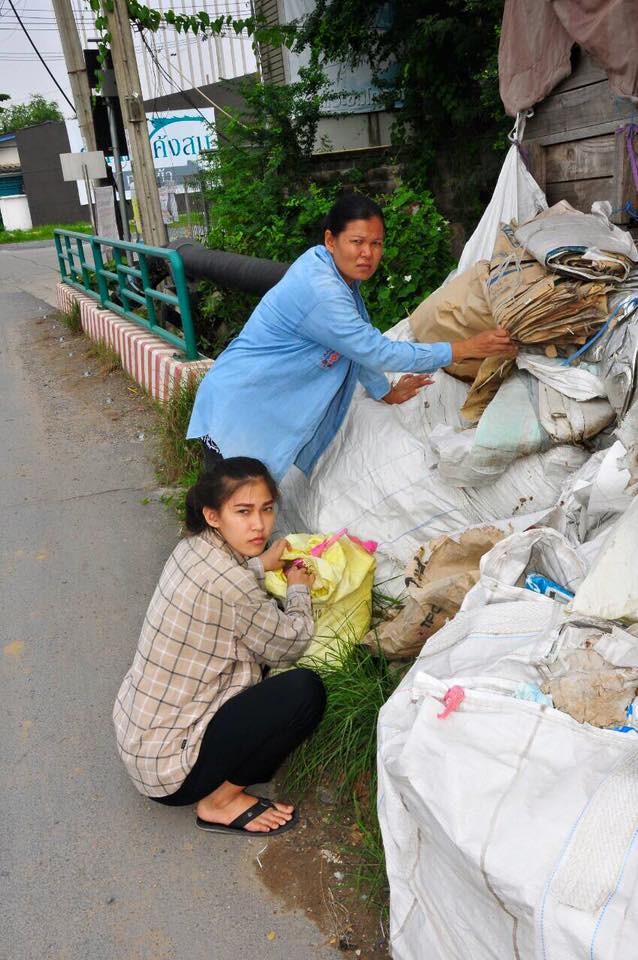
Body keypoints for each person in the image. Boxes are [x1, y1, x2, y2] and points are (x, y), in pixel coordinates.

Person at [187, 193, 515, 479]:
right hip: (243, 404)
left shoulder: (334, 275)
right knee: (230, 510)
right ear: (331, 241)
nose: (367, 254)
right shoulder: (322, 291)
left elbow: (354, 346)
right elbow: (376, 351)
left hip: (256, 400)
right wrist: (465, 348)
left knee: (242, 509)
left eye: (376, 243)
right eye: (357, 242)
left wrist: (382, 391)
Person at [113, 458, 324, 836]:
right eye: (243, 511)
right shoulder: (234, 586)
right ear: (213, 515)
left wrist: (260, 564)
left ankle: (218, 783)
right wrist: (298, 590)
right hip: (171, 773)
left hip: (140, 740)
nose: (259, 524)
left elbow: (229, 580)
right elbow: (290, 644)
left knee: (253, 659)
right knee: (303, 691)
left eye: (266, 509)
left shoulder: (190, 549)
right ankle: (219, 801)